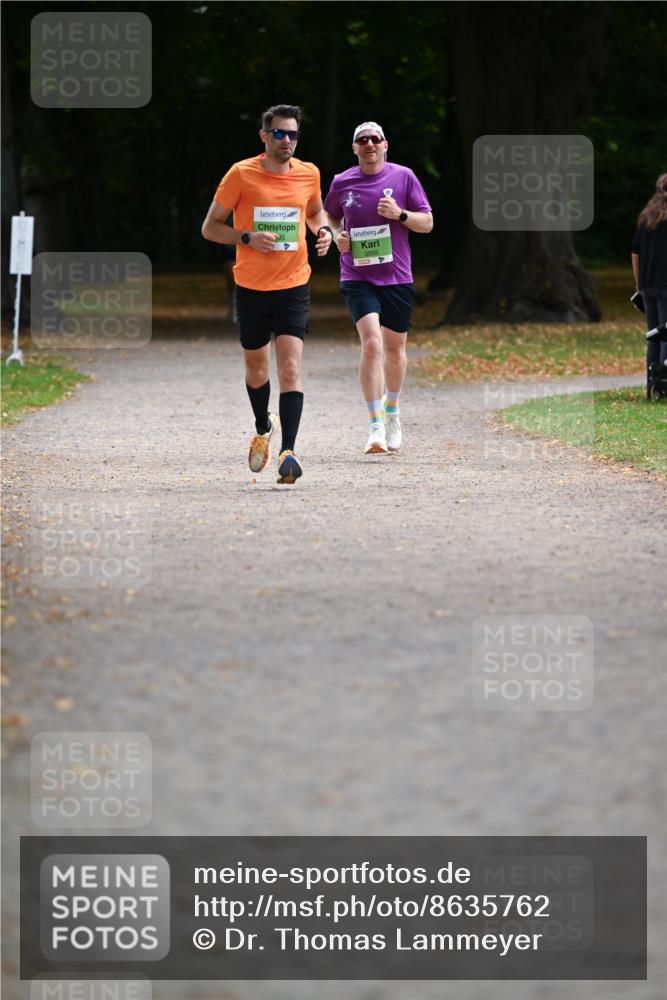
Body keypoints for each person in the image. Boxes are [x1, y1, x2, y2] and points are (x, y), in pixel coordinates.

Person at [201, 104, 333, 483]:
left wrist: (321, 232)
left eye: (293, 134)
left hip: (294, 284)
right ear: (264, 136)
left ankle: (288, 452)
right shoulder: (241, 174)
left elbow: (315, 212)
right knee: (257, 369)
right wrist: (247, 238)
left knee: (291, 368)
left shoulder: (309, 173)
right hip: (251, 287)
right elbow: (210, 228)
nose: (287, 141)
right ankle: (263, 424)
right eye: (280, 134)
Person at [324, 122, 433, 454]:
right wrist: (335, 236)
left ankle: (392, 412)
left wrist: (400, 214)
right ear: (355, 148)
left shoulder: (404, 177)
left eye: (375, 139)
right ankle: (374, 427)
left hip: (397, 277)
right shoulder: (342, 182)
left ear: (385, 145)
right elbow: (328, 217)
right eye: (362, 140)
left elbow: (427, 223)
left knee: (395, 350)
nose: (369, 144)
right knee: (372, 345)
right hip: (357, 275)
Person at [631, 173, 667, 398]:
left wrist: (639, 285)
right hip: (665, 285)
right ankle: (664, 387)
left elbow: (635, 253)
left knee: (653, 336)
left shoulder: (646, 217)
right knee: (666, 334)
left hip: (647, 286)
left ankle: (652, 386)